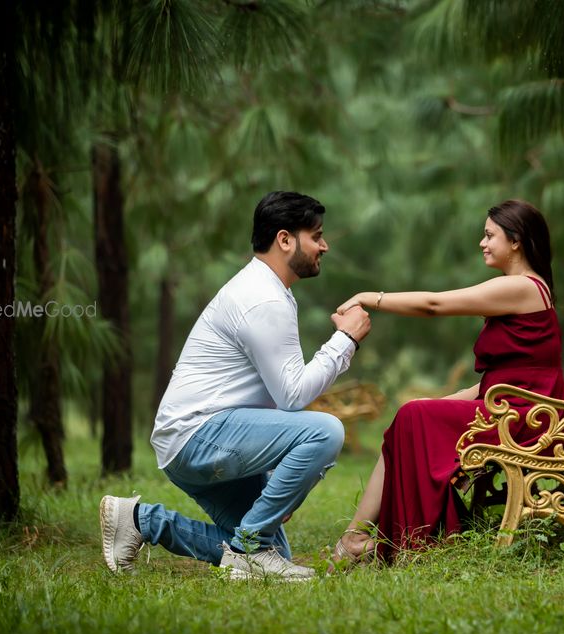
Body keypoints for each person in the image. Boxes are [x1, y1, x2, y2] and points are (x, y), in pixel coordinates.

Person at [99, 191, 371, 581]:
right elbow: (292, 395)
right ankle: (248, 550)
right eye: (317, 235)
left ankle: (142, 521)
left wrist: (286, 475)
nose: (324, 246)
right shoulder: (263, 299)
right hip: (200, 435)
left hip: (193, 438)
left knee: (268, 552)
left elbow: (270, 396)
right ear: (284, 239)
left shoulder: (267, 290)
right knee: (327, 431)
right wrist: (345, 340)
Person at [331, 199, 564, 564]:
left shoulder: (521, 287)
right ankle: (357, 538)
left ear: (516, 240)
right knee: (412, 416)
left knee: (413, 416)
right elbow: (516, 371)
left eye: (490, 235)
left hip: (522, 418)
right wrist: (455, 397)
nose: (482, 242)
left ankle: (364, 539)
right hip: (509, 407)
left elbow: (434, 305)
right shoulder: (523, 288)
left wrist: (369, 297)